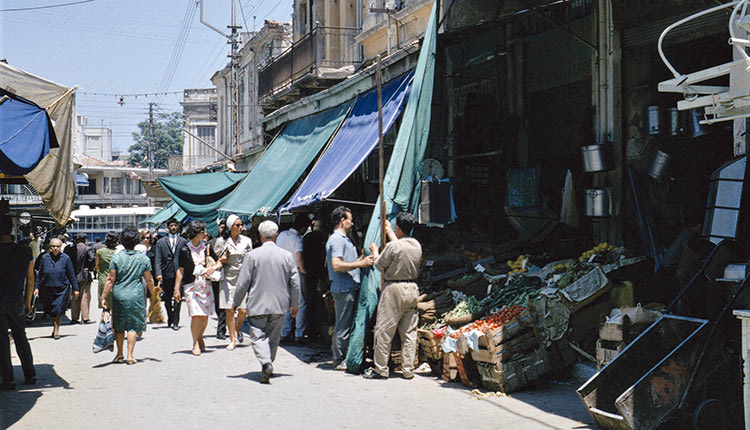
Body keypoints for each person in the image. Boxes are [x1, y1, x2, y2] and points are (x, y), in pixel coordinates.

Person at [233, 220, 300, 384]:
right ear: (276, 236)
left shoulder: (252, 256)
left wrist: (236, 301)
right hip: (279, 304)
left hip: (258, 303)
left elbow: (243, 282)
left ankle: (265, 362)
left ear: (260, 236)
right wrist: (295, 303)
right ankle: (268, 362)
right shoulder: (287, 256)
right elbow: (295, 282)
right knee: (274, 337)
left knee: (257, 335)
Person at [363, 213, 422, 380]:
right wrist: (390, 231)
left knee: (384, 330)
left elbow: (379, 264)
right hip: (412, 288)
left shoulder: (392, 247)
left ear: (398, 228)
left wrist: (375, 251)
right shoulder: (416, 245)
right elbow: (400, 247)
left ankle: (381, 369)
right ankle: (408, 369)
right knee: (409, 332)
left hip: (394, 289)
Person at [325, 206, 374, 371]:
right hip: (344, 289)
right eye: (350, 219)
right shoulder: (337, 239)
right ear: (342, 221)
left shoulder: (343, 239)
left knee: (346, 324)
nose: (352, 223)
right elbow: (337, 264)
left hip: (349, 287)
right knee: (343, 326)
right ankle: (339, 360)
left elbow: (347, 262)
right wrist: (361, 263)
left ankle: (346, 357)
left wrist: (360, 258)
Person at [100, 226, 156, 365]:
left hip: (119, 294)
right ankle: (130, 355)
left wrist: (103, 297)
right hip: (136, 294)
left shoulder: (117, 257)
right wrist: (154, 294)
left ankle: (119, 354)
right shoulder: (143, 259)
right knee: (132, 326)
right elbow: (149, 279)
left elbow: (110, 279)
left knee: (119, 325)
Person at [0, 215, 36, 390]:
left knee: (2, 340)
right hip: (17, 300)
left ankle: (8, 379)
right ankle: (30, 375)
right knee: (21, 338)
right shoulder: (24, 252)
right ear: (11, 230)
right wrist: (28, 302)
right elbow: (30, 280)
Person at [174, 221, 217, 356]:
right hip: (191, 286)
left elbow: (218, 262)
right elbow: (180, 270)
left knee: (204, 317)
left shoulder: (208, 247)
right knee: (195, 315)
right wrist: (176, 288)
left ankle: (200, 336)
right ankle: (195, 343)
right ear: (197, 233)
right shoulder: (184, 249)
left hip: (206, 285)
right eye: (203, 231)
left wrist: (213, 268)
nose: (205, 234)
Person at [214, 214, 252, 350]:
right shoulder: (221, 242)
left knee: (243, 309)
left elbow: (250, 259)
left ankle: (238, 327)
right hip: (227, 278)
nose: (240, 227)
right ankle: (233, 339)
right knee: (229, 309)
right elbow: (218, 258)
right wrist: (222, 259)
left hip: (242, 278)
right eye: (237, 225)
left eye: (241, 225)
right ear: (230, 227)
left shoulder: (246, 241)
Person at [35, 238, 79, 339]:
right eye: (53, 246)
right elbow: (40, 274)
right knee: (50, 309)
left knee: (58, 309)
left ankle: (56, 329)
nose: (55, 248)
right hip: (47, 287)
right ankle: (55, 326)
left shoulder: (66, 258)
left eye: (57, 246)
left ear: (61, 247)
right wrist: (36, 287)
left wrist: (76, 289)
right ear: (50, 247)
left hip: (62, 288)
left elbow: (71, 274)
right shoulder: (44, 258)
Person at [278, 214, 309, 345]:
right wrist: (304, 270)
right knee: (300, 303)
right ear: (303, 228)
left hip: (281, 272)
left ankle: (284, 333)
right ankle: (299, 334)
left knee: (285, 304)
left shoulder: (281, 235)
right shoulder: (298, 238)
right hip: (294, 273)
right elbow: (298, 256)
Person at [155, 218, 187, 330]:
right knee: (167, 297)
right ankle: (170, 315)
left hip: (179, 272)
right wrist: (158, 273)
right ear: (168, 227)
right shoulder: (161, 242)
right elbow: (158, 259)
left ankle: (176, 321)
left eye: (175, 225)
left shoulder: (183, 241)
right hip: (166, 272)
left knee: (178, 296)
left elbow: (186, 257)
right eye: (171, 226)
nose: (173, 227)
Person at [302, 214, 326, 340]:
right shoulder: (320, 239)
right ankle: (315, 330)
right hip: (317, 274)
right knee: (316, 303)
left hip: (309, 274)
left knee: (310, 302)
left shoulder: (306, 238)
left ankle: (311, 329)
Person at [65, 233, 96, 324]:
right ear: (85, 240)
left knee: (74, 296)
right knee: (85, 296)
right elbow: (92, 259)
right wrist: (89, 267)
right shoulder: (87, 248)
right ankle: (85, 317)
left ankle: (74, 318)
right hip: (84, 275)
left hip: (73, 275)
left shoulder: (69, 249)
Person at [209, 219, 228, 340]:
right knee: (218, 303)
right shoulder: (211, 243)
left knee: (226, 304)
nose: (223, 229)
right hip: (215, 277)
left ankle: (221, 330)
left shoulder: (232, 242)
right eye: (221, 227)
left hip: (229, 277)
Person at [96, 233, 119, 311]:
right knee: (115, 307)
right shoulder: (119, 252)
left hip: (103, 279)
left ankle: (105, 321)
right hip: (116, 281)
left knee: (105, 307)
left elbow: (97, 266)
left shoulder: (99, 252)